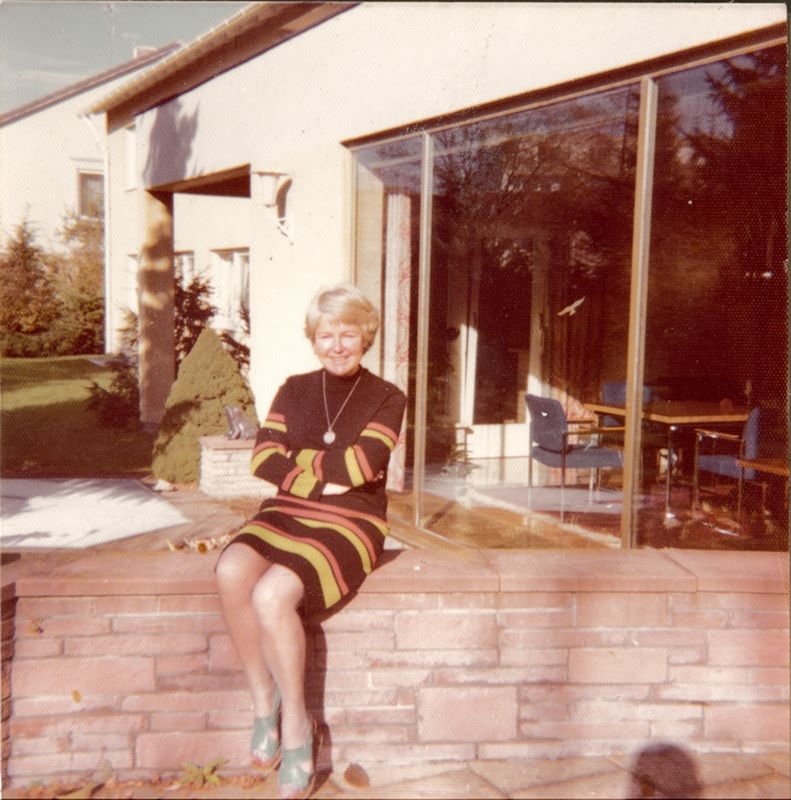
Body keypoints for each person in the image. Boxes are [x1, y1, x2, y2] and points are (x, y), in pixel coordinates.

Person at [215, 283, 407, 800]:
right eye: (327, 335)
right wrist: (323, 474)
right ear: (314, 339)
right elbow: (261, 458)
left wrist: (296, 464)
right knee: (232, 570)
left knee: (273, 593)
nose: (338, 345)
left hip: (354, 518)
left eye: (349, 333)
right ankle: (264, 704)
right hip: (287, 511)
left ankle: (297, 726)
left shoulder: (388, 396)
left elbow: (362, 469)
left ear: (366, 337)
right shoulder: (294, 388)